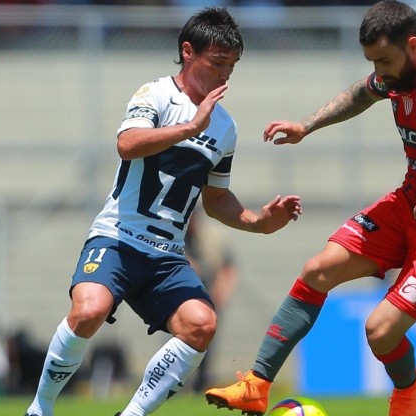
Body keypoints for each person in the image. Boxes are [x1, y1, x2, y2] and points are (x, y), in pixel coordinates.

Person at [204, 1, 416, 416]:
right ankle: (257, 385)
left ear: (412, 44)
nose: (380, 71)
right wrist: (307, 125)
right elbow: (360, 93)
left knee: (379, 331)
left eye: (385, 60)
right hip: (409, 203)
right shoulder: (394, 73)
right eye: (373, 62)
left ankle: (408, 391)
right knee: (317, 270)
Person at [24, 7, 302, 416]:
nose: (225, 75)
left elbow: (217, 199)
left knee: (202, 324)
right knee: (89, 309)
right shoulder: (154, 94)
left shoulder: (225, 128)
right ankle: (40, 409)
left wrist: (260, 222)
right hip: (118, 237)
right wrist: (190, 128)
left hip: (167, 255)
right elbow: (128, 144)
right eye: (218, 63)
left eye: (233, 66)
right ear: (188, 52)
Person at [185, 209, 239, 392]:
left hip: (209, 297)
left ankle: (200, 384)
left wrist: (222, 293)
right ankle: (178, 383)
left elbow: (229, 268)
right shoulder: (173, 236)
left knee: (207, 344)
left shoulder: (214, 236)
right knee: (179, 342)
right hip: (182, 299)